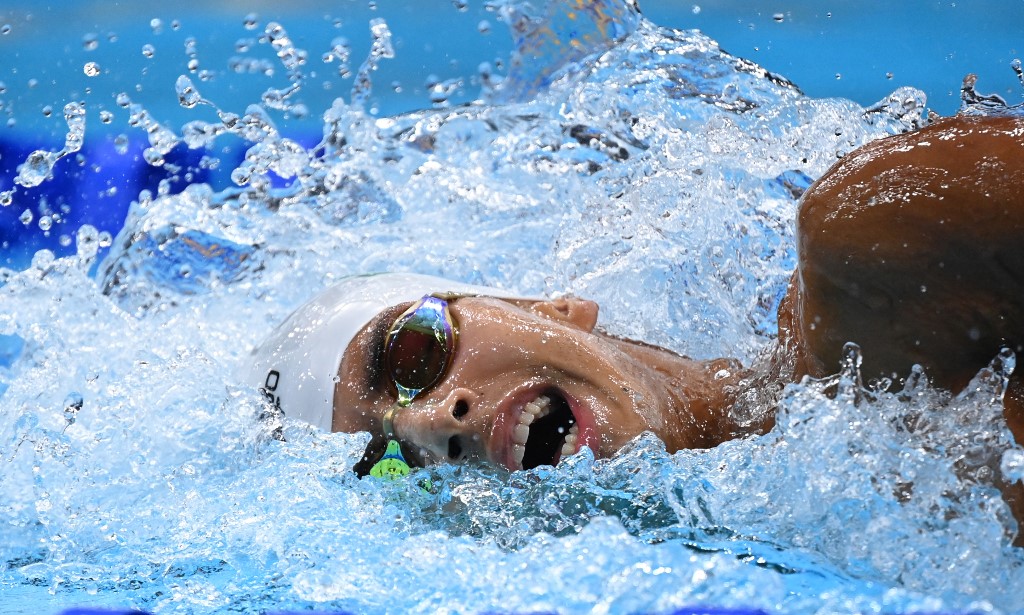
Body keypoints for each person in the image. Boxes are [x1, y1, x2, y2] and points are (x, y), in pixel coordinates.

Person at [241, 113, 1023, 517]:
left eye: (413, 355)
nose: (430, 426)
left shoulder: (878, 256)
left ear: (552, 304)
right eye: (388, 463)